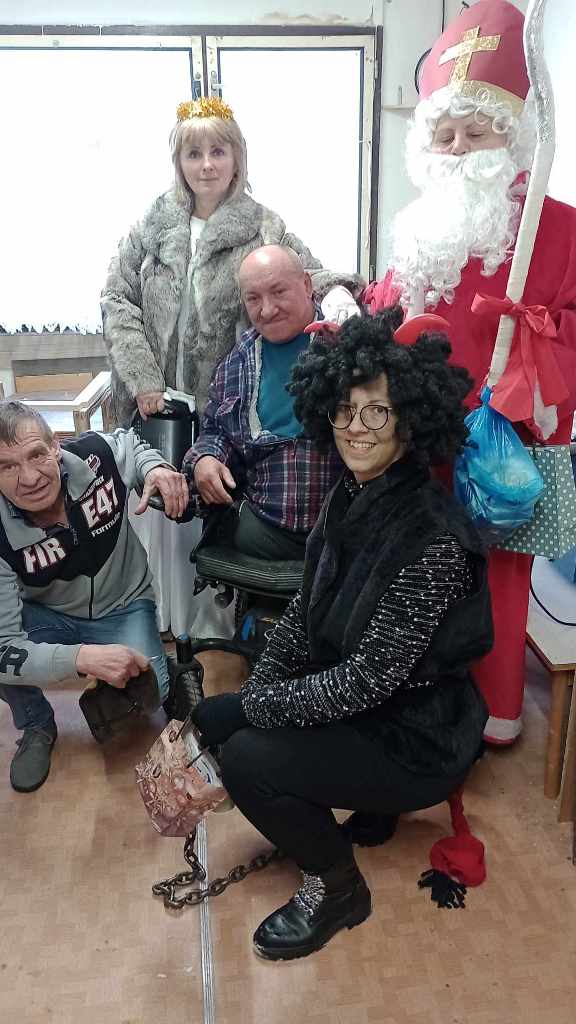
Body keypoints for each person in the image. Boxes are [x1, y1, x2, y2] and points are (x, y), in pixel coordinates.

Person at [189, 310, 494, 961]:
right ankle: (369, 808)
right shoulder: (349, 494)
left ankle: (337, 887)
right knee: (230, 720)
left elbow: (367, 682)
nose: (356, 427)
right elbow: (305, 614)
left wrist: (256, 707)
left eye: (377, 412)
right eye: (345, 411)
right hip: (376, 711)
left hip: (419, 740)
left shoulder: (434, 539)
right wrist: (261, 687)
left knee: (245, 758)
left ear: (410, 422)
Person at [364, 0, 576, 744]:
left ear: (511, 137)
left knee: (496, 574)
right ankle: (415, 691)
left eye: (476, 132)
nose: (458, 148)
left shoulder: (560, 227)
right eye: (445, 133)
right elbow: (389, 305)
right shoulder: (417, 223)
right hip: (420, 433)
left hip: (501, 437)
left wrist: (539, 342)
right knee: (413, 566)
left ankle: (493, 713)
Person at [101, 95, 362, 635]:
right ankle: (158, 622)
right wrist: (143, 378)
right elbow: (116, 299)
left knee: (209, 499)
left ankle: (209, 626)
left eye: (217, 152)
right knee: (157, 506)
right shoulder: (150, 224)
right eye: (193, 154)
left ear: (237, 157)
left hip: (224, 393)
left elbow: (306, 275)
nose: (206, 166)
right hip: (154, 398)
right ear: (178, 161)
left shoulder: (263, 224)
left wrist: (340, 295)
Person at [0, 400, 188, 793]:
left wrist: (154, 468)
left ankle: (162, 670)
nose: (29, 478)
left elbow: (132, 444)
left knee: (152, 695)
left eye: (36, 455)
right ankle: (36, 724)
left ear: (56, 446)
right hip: (48, 613)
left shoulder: (96, 454)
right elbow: (3, 651)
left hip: (124, 604)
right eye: (6, 466)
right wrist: (80, 659)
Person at [183, 245, 344, 560]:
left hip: (341, 533)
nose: (267, 310)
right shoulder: (239, 360)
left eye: (278, 292)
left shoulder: (346, 343)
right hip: (260, 529)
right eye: (253, 299)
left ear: (307, 285)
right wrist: (205, 459)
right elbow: (216, 430)